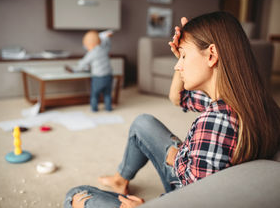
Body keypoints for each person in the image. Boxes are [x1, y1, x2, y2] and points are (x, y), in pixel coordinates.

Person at [64, 11, 280, 208]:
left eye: (184, 56)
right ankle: (121, 178)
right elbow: (177, 97)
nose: (178, 65)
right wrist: (183, 53)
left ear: (212, 55)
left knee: (76, 195)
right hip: (193, 169)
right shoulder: (254, 103)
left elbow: (195, 199)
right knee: (143, 122)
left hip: (184, 191)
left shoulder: (215, 122)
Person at [66, 30, 114, 112]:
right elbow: (108, 44)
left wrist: (76, 68)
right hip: (108, 77)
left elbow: (83, 63)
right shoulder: (104, 49)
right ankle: (108, 108)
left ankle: (94, 108)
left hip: (98, 78)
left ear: (89, 44)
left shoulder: (92, 53)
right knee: (107, 94)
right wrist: (106, 37)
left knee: (95, 94)